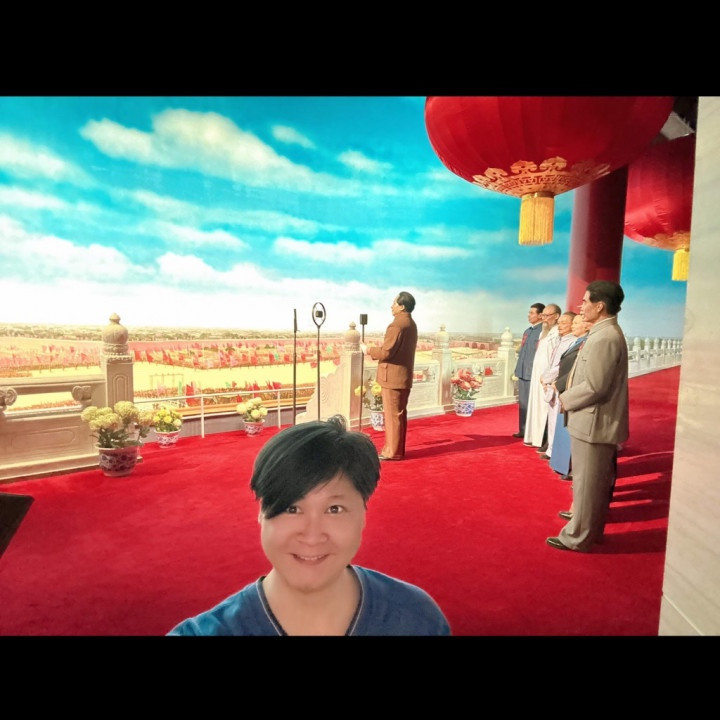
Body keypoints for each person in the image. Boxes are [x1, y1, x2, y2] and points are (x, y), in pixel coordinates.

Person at [167, 415, 451, 636]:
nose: (312, 536)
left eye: (334, 509)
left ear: (363, 515)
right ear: (261, 512)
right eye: (292, 508)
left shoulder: (415, 619)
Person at [547, 281, 629, 553]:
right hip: (590, 419)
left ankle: (578, 537)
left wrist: (565, 400)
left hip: (593, 421)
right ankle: (588, 531)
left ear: (600, 306)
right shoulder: (603, 333)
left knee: (588, 483)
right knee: (589, 482)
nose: (580, 307)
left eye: (585, 301)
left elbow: (595, 386)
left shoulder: (605, 337)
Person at [362, 291, 418, 461]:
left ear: (402, 306)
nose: (391, 306)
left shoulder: (396, 325)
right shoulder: (411, 324)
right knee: (399, 415)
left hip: (392, 377)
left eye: (394, 303)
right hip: (403, 376)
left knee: (393, 416)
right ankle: (396, 450)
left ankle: (392, 452)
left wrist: (368, 349)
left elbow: (386, 352)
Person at [549, 314, 590, 481]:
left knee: (570, 429)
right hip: (564, 388)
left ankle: (570, 467)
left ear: (586, 326)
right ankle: (561, 464)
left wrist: (559, 384)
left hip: (570, 389)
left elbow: (576, 369)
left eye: (577, 323)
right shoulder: (577, 342)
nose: (573, 325)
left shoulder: (586, 343)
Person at [538, 311, 577, 460]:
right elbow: (552, 362)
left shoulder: (572, 342)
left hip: (559, 384)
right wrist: (544, 377)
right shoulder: (560, 340)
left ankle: (555, 451)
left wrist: (547, 378)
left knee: (557, 420)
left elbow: (560, 366)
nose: (560, 326)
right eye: (559, 323)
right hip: (551, 383)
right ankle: (550, 449)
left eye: (564, 323)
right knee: (552, 419)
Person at [524, 303, 561, 450]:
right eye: (543, 315)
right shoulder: (543, 332)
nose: (544, 319)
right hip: (537, 375)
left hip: (548, 376)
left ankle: (546, 440)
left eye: (547, 315)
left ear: (556, 316)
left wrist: (549, 376)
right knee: (536, 406)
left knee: (546, 408)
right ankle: (535, 437)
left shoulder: (557, 333)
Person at [512, 302, 545, 439]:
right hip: (523, 372)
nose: (529, 315)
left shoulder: (543, 332)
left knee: (534, 405)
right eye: (529, 313)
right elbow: (522, 352)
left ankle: (534, 433)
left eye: (532, 313)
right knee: (523, 404)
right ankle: (523, 430)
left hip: (533, 373)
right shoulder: (527, 331)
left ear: (540, 315)